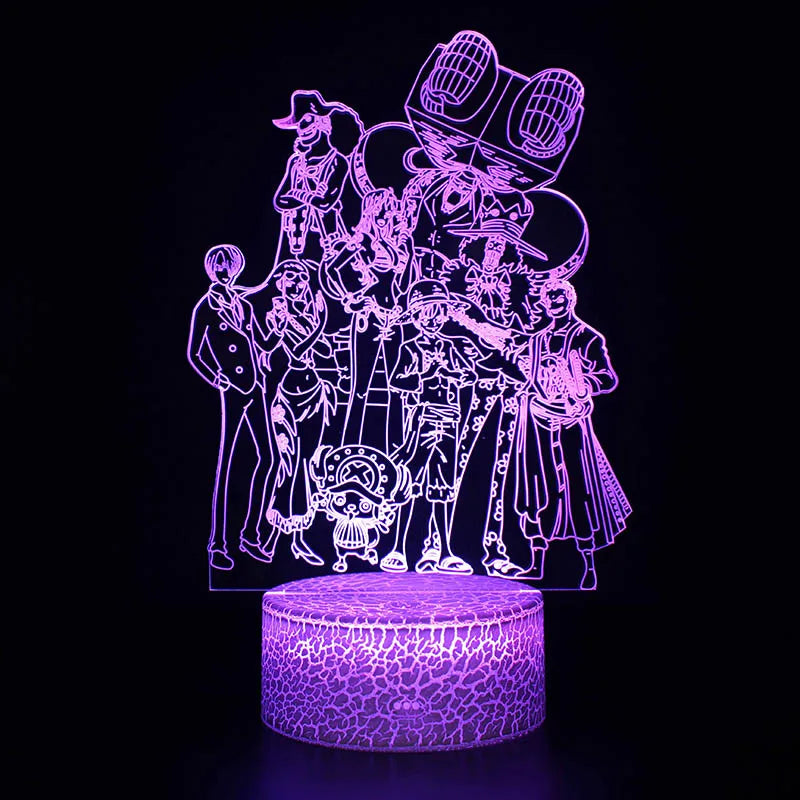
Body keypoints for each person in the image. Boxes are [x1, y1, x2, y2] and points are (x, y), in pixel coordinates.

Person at [510, 278, 631, 589]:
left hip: (572, 422)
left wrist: (579, 383)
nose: (554, 303)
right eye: (549, 299)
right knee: (537, 488)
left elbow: (606, 378)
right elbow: (524, 372)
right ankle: (536, 561)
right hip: (538, 422)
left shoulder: (587, 337)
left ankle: (588, 565)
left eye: (559, 297)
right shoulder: (536, 340)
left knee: (579, 488)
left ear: (570, 299)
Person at [187, 244, 279, 570]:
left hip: (255, 386)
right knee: (226, 465)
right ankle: (217, 545)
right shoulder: (206, 307)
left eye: (229, 266)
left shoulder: (243, 305)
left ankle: (250, 535)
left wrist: (280, 327)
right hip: (233, 389)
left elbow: (262, 343)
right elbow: (194, 353)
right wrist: (217, 378)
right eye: (219, 266)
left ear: (237, 268)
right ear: (211, 269)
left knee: (269, 458)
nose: (225, 271)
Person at [381, 279, 475, 574]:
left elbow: (469, 375)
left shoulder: (450, 346)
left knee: (443, 487)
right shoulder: (410, 347)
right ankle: (398, 549)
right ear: (415, 317)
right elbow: (396, 381)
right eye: (425, 314)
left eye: (437, 313)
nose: (432, 320)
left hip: (448, 421)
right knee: (409, 482)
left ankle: (445, 551)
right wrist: (425, 375)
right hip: (421, 419)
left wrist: (453, 373)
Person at [322, 187, 417, 450]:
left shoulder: (399, 243)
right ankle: (349, 446)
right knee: (361, 387)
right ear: (372, 213)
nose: (388, 216)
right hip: (368, 316)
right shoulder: (362, 241)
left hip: (394, 317)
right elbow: (332, 269)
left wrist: (409, 255)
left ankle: (394, 448)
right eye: (383, 211)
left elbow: (405, 284)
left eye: (391, 211)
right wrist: (350, 298)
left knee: (395, 385)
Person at [260, 261, 336, 566]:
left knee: (306, 465)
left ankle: (298, 539)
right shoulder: (277, 313)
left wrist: (318, 323)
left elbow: (326, 352)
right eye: (290, 278)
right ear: (280, 282)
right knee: (287, 464)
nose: (297, 283)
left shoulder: (310, 313)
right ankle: (271, 537)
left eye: (302, 278)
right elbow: (296, 350)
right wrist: (320, 324)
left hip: (314, 395)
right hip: (288, 397)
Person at [272, 90, 363, 265]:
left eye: (306, 121)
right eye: (298, 124)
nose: (300, 129)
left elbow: (326, 203)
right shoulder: (296, 163)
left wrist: (296, 194)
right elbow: (280, 201)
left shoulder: (337, 161)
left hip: (327, 240)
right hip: (294, 240)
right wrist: (312, 197)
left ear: (324, 122)